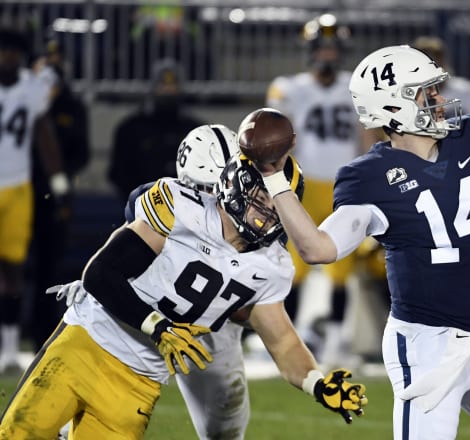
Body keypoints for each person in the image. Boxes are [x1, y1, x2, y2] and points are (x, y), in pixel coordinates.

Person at [252, 45, 470, 439]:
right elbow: (318, 249)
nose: (439, 99)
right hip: (426, 348)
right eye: (426, 93)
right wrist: (274, 179)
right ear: (392, 107)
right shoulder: (369, 176)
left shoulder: (468, 137)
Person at [0, 148, 368, 438]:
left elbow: (284, 342)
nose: (270, 213)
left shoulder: (272, 265)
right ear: (235, 186)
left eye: (280, 202)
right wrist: (157, 327)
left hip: (140, 383)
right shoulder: (182, 207)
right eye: (262, 198)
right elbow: (100, 274)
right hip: (86, 346)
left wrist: (317, 384)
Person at [49, 124, 251, 440]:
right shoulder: (160, 200)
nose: (220, 200)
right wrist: (96, 288)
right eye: (209, 189)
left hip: (213, 323)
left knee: (224, 428)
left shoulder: (256, 216)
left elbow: (254, 303)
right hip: (156, 318)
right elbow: (122, 252)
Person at [265, 13, 379, 365]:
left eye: (333, 49)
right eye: (323, 48)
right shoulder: (289, 87)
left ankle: (338, 340)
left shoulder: (355, 85)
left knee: (340, 267)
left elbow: (368, 135)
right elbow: (277, 139)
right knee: (292, 265)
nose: (328, 56)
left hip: (345, 185)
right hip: (302, 184)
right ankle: (286, 340)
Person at [0, 25, 70, 374]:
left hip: (16, 186)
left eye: (13, 51)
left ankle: (10, 349)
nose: (7, 57)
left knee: (13, 269)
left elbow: (45, 134)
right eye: (3, 50)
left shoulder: (32, 87)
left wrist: (58, 184)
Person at [28, 37, 90, 350]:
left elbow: (81, 152)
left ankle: (42, 333)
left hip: (54, 192)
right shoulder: (19, 99)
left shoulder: (72, 106)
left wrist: (62, 186)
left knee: (49, 265)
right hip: (19, 188)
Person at [108, 58, 204, 203]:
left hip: (186, 210)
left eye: (173, 85)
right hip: (141, 208)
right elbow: (119, 173)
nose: (168, 90)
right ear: (153, 87)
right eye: (163, 85)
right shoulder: (131, 129)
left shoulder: (195, 130)